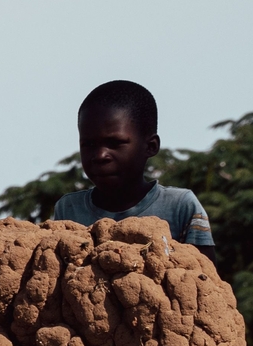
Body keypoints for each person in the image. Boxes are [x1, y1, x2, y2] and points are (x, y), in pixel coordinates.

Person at [53, 80, 217, 267]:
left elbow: (206, 281)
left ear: (150, 146)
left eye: (115, 143)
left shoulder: (180, 206)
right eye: (88, 145)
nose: (100, 156)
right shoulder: (69, 209)